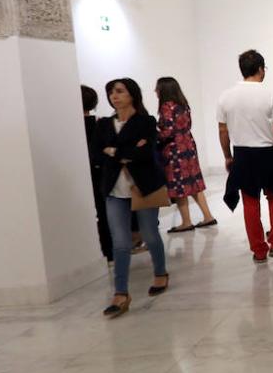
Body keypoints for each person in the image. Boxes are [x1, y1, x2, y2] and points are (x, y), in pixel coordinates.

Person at [94, 78, 170, 318]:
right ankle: (121, 293)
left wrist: (114, 150)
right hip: (114, 190)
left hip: (142, 187)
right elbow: (96, 152)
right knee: (120, 243)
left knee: (149, 235)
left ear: (132, 94)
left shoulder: (146, 122)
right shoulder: (104, 124)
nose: (114, 96)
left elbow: (145, 152)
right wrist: (125, 152)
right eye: (110, 93)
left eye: (119, 91)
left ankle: (160, 272)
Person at [216, 49, 273, 264]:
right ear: (261, 69)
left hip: (242, 154)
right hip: (268, 153)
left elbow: (223, 131)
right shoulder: (270, 96)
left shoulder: (226, 97)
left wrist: (227, 156)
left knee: (250, 203)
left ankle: (259, 250)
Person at [154, 77, 215, 233]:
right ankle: (208, 216)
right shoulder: (183, 105)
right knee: (193, 182)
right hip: (188, 145)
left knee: (179, 185)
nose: (155, 91)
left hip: (174, 149)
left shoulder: (167, 106)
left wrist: (155, 136)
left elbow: (168, 131)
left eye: (157, 88)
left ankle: (186, 222)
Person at [82, 84, 112, 262]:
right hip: (101, 172)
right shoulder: (100, 123)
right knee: (103, 212)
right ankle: (108, 250)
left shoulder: (72, 129)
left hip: (87, 174)